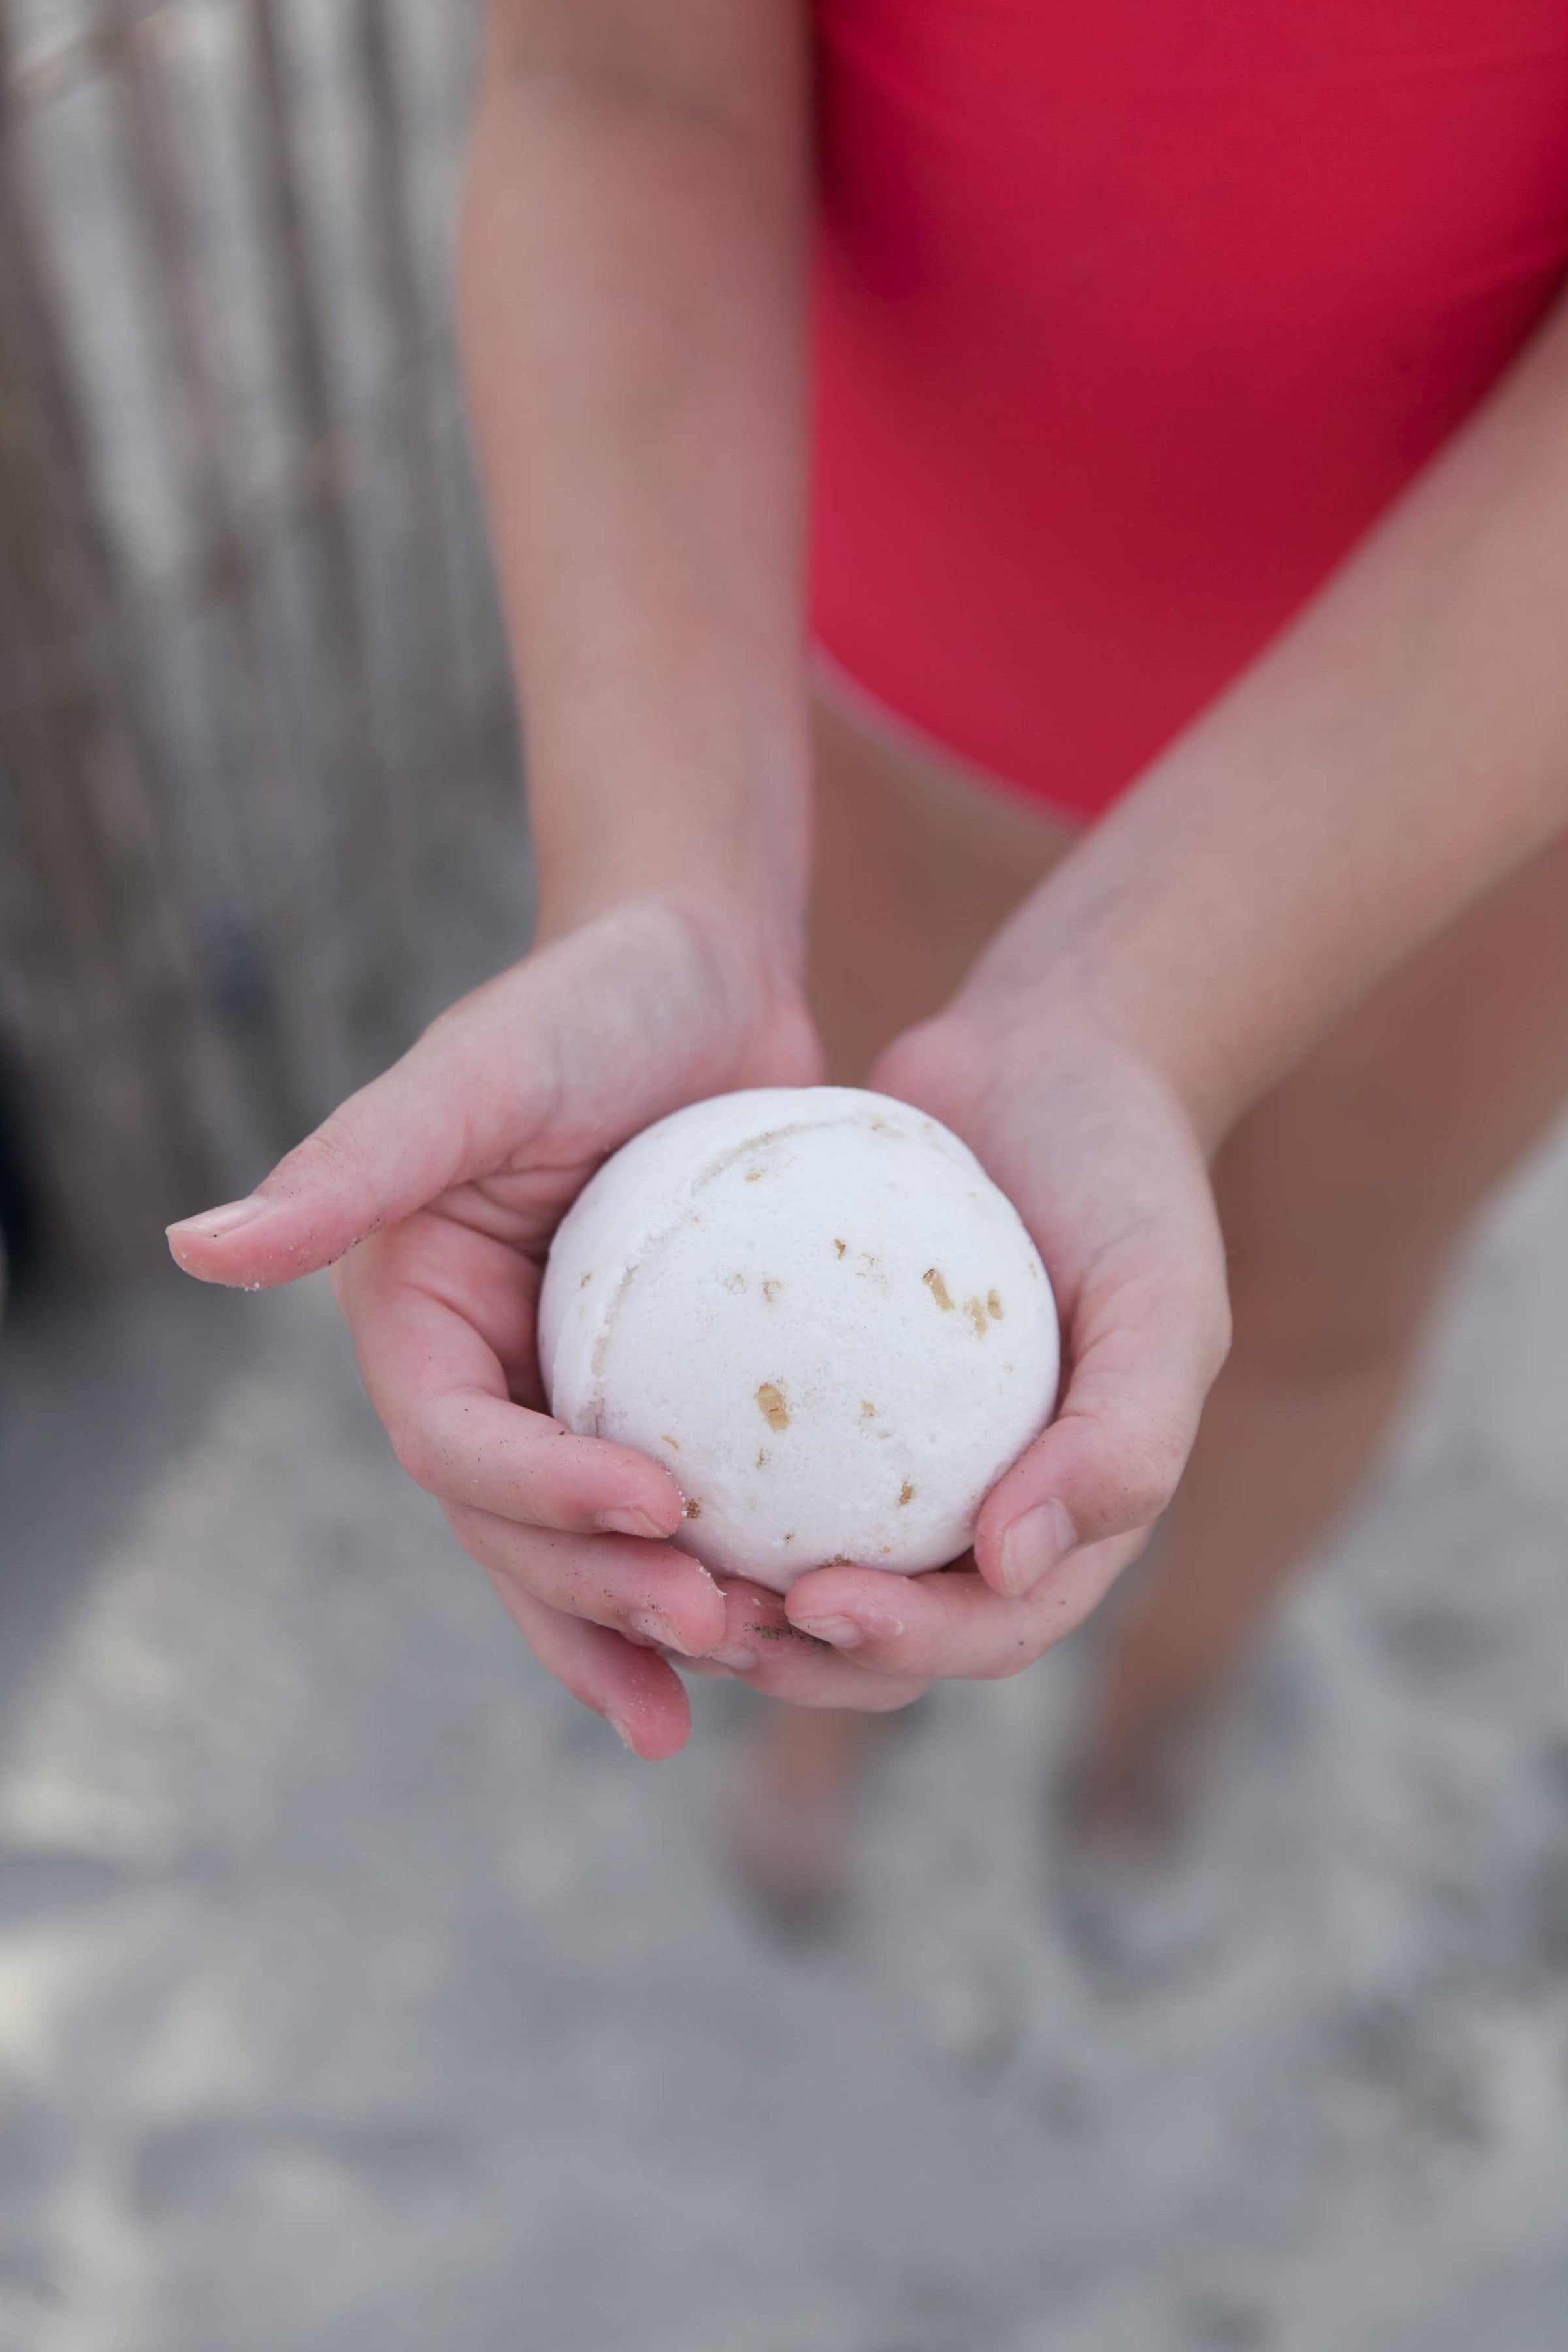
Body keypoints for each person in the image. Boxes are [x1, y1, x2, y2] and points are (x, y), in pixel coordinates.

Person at [170, 1, 1568, 1925]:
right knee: (857, 1163)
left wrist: (1134, 1011)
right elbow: (626, 75)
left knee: (1325, 1309)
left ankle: (1164, 1702)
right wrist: (676, 889)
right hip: (916, 649)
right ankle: (825, 1708)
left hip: (1501, 757)